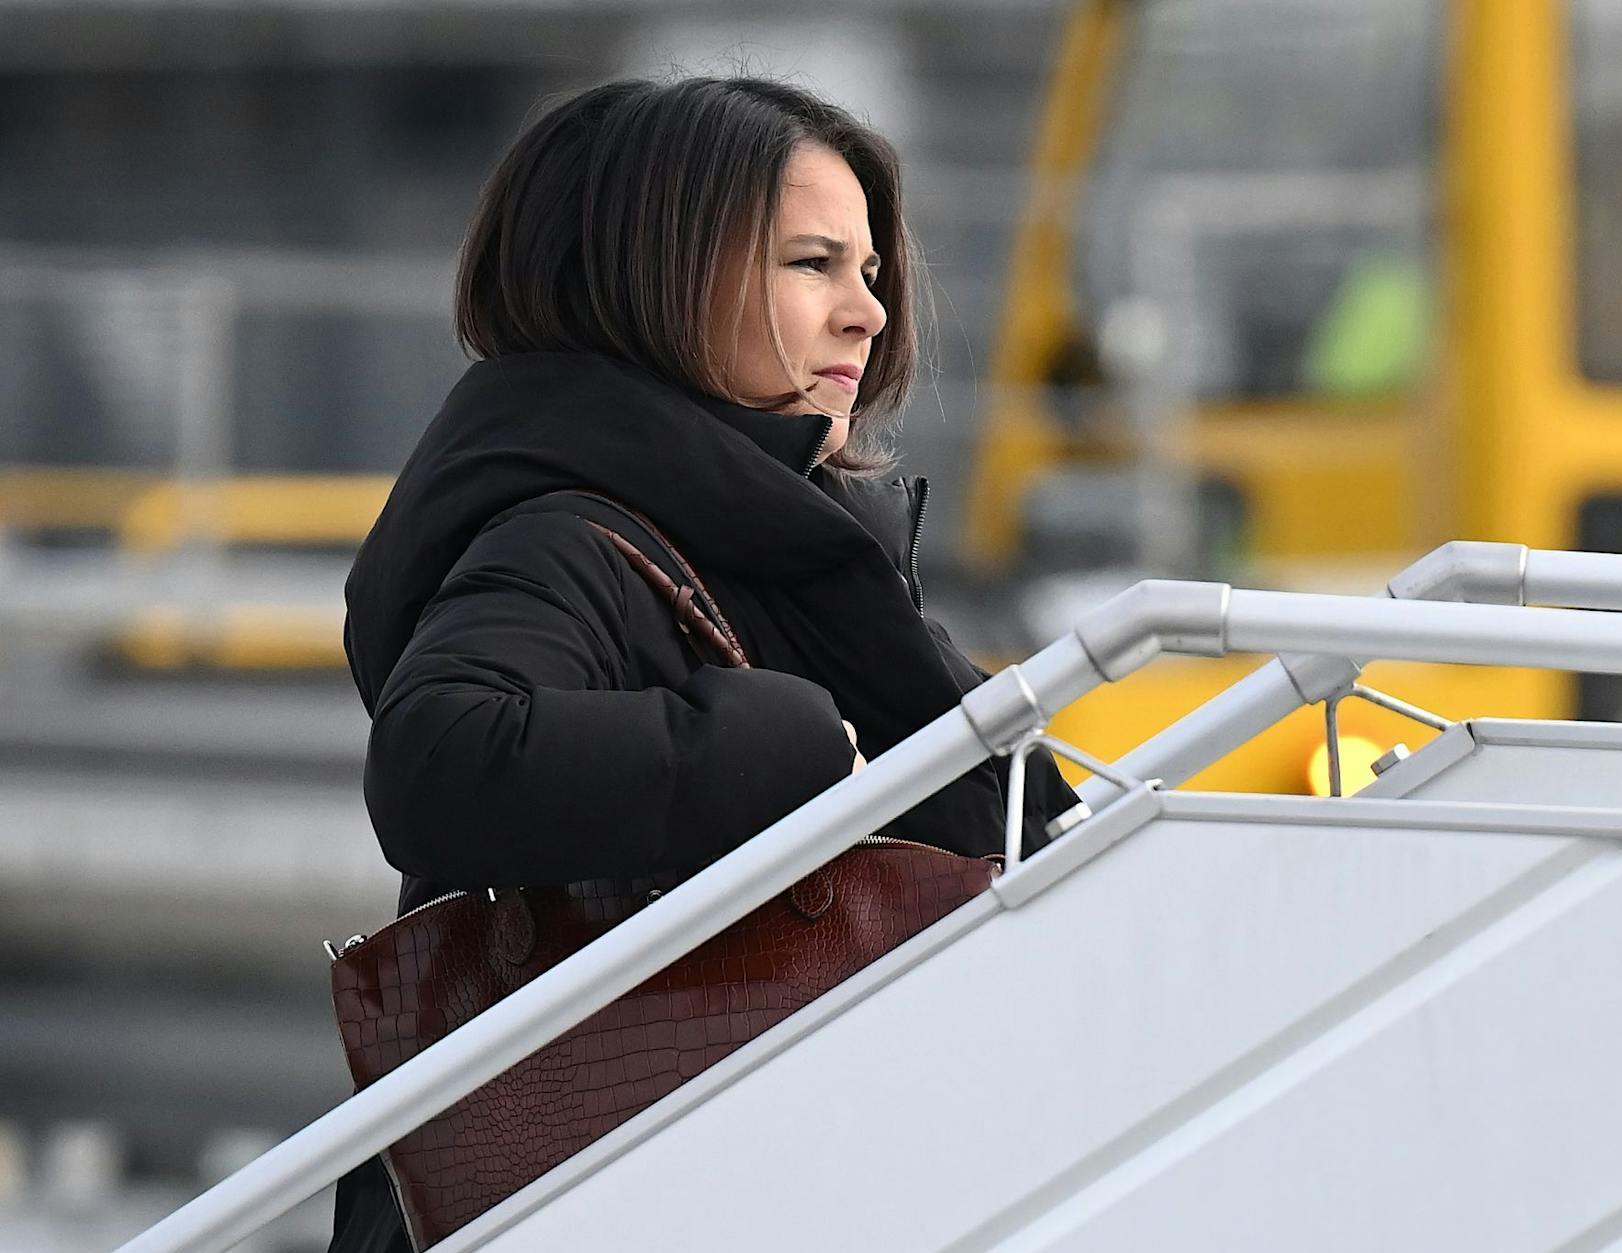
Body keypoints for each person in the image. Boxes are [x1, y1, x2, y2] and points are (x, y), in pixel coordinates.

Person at [328, 76, 1081, 1252]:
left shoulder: (797, 553)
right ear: (660, 281)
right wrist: (789, 746)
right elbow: (438, 757)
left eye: (870, 273)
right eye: (812, 264)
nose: (866, 314)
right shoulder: (573, 539)